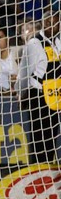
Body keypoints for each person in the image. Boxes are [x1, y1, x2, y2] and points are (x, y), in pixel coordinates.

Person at [15, 11, 61, 163]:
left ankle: (50, 169)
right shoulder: (34, 44)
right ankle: (39, 172)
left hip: (56, 95)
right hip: (39, 97)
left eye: (55, 23)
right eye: (48, 23)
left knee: (53, 136)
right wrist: (21, 94)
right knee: (40, 138)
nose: (51, 26)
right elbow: (23, 73)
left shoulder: (58, 42)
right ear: (43, 24)